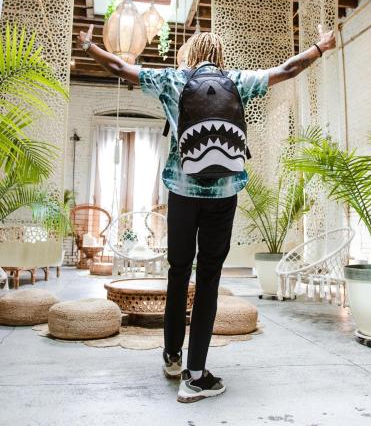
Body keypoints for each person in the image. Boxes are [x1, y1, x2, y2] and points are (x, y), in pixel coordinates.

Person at [77, 24, 335, 403]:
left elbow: (119, 68)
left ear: (192, 54)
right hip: (223, 195)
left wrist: (89, 46)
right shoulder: (237, 82)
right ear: (219, 55)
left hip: (182, 193)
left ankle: (172, 356)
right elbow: (287, 69)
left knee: (177, 272)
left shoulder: (172, 80)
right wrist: (319, 47)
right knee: (209, 280)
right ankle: (195, 376)